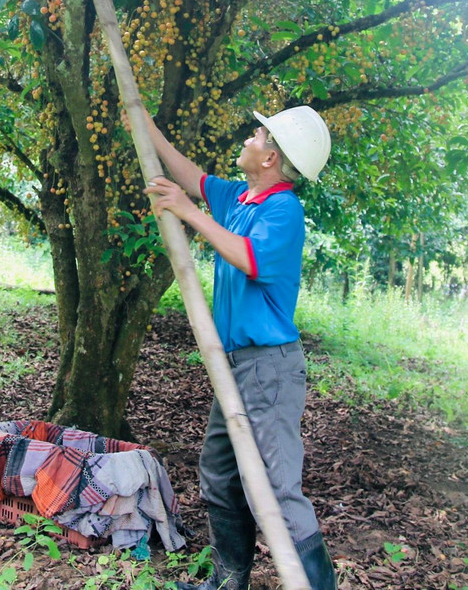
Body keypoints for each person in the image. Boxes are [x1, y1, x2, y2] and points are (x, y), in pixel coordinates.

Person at [141, 105, 337, 590]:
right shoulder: (241, 199)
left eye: (258, 133)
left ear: (271, 156)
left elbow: (248, 257)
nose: (250, 137)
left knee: (274, 489)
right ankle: (229, 583)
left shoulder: (282, 209)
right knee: (221, 475)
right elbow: (190, 175)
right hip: (233, 366)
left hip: (268, 369)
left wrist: (187, 214)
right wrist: (144, 125)